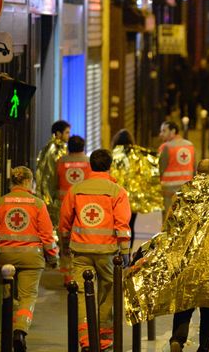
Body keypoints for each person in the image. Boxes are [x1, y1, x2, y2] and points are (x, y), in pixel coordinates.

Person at [123, 159, 209, 352]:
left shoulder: (181, 194)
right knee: (208, 307)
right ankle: (204, 348)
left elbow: (169, 226)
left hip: (183, 259)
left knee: (184, 301)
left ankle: (177, 340)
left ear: (196, 171)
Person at [58, 149, 131, 351]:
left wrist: (64, 246)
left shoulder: (76, 189)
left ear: (90, 165)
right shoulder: (117, 191)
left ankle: (86, 339)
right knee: (108, 291)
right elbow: (122, 224)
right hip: (107, 252)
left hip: (80, 250)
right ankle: (104, 338)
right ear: (109, 166)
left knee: (81, 292)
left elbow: (64, 221)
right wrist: (125, 250)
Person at [0, 166, 58, 352]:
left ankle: (9, 329)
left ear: (12, 182)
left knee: (8, 297)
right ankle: (20, 330)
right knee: (28, 297)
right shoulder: (37, 204)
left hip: (5, 256)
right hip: (31, 258)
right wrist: (53, 257)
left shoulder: (0, 203)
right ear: (28, 181)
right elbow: (47, 235)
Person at [110, 129, 163, 250]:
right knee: (129, 227)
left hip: (115, 198)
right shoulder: (139, 156)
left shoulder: (112, 156)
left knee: (115, 226)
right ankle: (126, 254)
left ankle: (115, 252)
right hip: (132, 201)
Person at [51, 135, 92, 283]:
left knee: (66, 239)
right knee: (81, 239)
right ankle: (81, 270)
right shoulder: (89, 162)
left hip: (64, 206)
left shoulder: (61, 162)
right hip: (84, 207)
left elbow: (54, 184)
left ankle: (67, 275)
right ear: (83, 147)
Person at [35, 120, 70, 226]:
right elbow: (50, 176)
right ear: (58, 134)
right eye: (67, 132)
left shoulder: (51, 148)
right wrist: (51, 200)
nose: (69, 135)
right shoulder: (55, 150)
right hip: (53, 197)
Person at [159, 120, 195, 214]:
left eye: (164, 131)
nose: (161, 134)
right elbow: (194, 168)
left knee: (169, 219)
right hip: (186, 190)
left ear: (173, 131)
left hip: (169, 191)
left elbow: (160, 169)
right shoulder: (190, 145)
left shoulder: (167, 147)